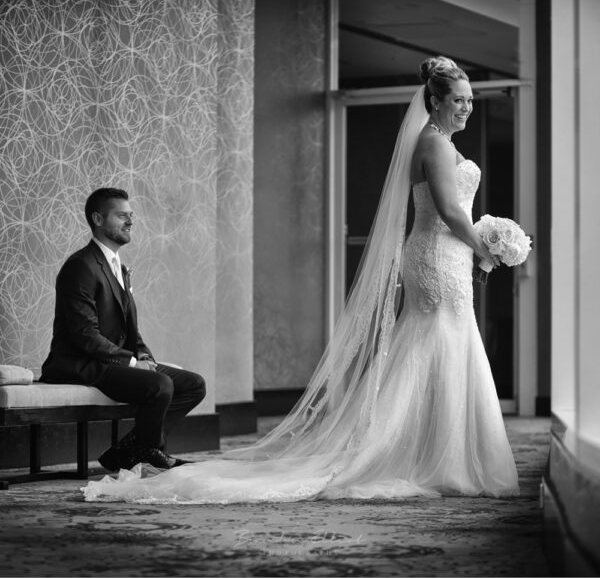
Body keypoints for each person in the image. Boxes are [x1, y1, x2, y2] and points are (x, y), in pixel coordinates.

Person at [83, 57, 519, 503]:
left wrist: (479, 244)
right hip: (438, 255)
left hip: (444, 254)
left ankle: (432, 452)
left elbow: (453, 214)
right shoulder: (435, 144)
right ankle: (436, 457)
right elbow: (449, 212)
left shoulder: (435, 142)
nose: (467, 108)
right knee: (438, 338)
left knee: (436, 340)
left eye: (470, 100)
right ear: (435, 101)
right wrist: (486, 248)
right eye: (458, 100)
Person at [41, 188, 206, 471]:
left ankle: (132, 450)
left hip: (110, 360)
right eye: (121, 216)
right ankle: (149, 452)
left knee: (194, 385)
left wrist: (143, 357)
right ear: (98, 219)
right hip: (79, 363)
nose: (130, 222)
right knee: (160, 385)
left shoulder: (119, 266)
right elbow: (84, 334)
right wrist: (130, 362)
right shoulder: (80, 266)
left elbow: (130, 328)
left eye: (131, 215)